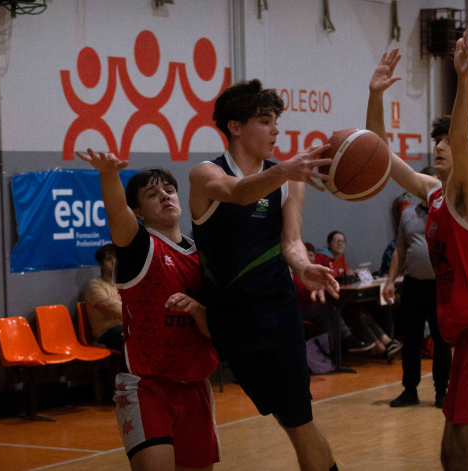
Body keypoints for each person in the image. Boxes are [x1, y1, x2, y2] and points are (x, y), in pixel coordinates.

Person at [366, 34, 468, 470]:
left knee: (465, 458)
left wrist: (464, 80)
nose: (438, 145)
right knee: (452, 457)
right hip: (465, 339)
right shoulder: (432, 192)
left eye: (447, 141)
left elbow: (460, 131)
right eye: (435, 139)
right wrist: (375, 96)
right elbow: (379, 154)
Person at [190, 78, 340, 470]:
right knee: (290, 418)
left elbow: (292, 241)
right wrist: (286, 170)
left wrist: (304, 267)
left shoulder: (288, 181)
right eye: (265, 121)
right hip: (230, 320)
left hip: (276, 312)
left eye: (276, 121)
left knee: (298, 420)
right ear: (235, 127)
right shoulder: (205, 174)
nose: (276, 130)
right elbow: (239, 193)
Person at [77, 151, 219, 470]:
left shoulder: (204, 255)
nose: (165, 196)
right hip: (147, 385)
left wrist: (198, 311)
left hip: (196, 384)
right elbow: (117, 213)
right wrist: (108, 175)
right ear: (139, 212)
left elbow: (217, 329)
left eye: (169, 190)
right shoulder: (139, 246)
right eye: (152, 194)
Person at [383, 167, 452, 408]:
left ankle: (442, 391)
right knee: (410, 340)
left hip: (440, 286)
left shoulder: (449, 212)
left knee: (441, 340)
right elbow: (400, 249)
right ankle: (409, 390)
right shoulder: (408, 214)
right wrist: (390, 281)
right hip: (412, 284)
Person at [85, 244, 124, 351]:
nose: (114, 262)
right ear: (101, 265)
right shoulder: (95, 286)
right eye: (108, 259)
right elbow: (117, 311)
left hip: (124, 326)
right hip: (106, 332)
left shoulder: (124, 284)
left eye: (116, 258)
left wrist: (117, 298)